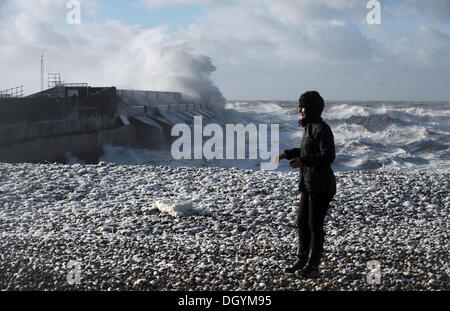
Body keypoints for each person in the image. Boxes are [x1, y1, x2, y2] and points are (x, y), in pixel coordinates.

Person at [275, 91, 336, 278]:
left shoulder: (322, 128)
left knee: (314, 224)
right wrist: (287, 153)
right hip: (308, 183)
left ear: (310, 109)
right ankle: (302, 259)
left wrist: (303, 161)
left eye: (302, 106)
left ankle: (313, 265)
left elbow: (328, 156)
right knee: (301, 222)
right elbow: (305, 149)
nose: (299, 110)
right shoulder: (309, 127)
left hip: (322, 185)